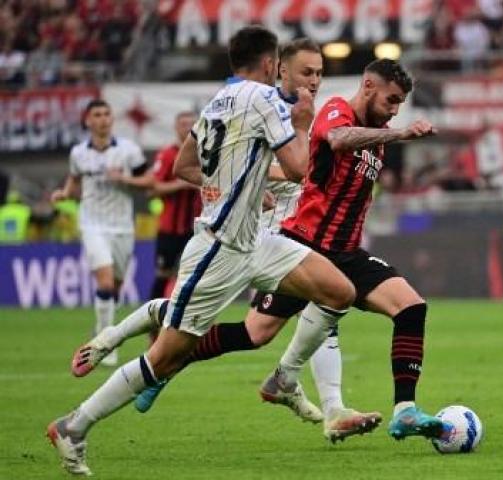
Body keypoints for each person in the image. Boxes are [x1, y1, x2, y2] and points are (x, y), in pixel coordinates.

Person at [47, 26, 357, 476]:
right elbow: (297, 170)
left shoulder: (219, 99)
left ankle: (285, 378)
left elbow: (184, 166)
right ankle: (74, 425)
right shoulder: (267, 99)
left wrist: (244, 189)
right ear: (271, 64)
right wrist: (305, 125)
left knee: (338, 291)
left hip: (256, 240)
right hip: (220, 248)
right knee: (167, 356)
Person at [255, 58, 444, 441]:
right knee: (255, 333)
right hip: (304, 246)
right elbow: (339, 140)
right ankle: (159, 365)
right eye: (391, 100)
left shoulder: (377, 136)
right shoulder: (338, 110)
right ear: (369, 85)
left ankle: (403, 410)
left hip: (346, 253)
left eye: (400, 105)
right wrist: (400, 133)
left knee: (411, 308)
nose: (394, 110)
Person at [51, 99, 149, 367]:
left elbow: (149, 181)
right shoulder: (78, 153)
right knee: (105, 282)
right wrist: (64, 193)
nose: (104, 118)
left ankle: (101, 328)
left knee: (115, 286)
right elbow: (74, 181)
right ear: (87, 120)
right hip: (92, 224)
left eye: (107, 114)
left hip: (122, 226)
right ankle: (107, 345)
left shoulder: (129, 151)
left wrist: (125, 179)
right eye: (98, 114)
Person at [147, 111, 202, 300]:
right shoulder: (167, 154)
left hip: (196, 229)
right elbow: (153, 189)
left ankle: (189, 323)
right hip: (169, 228)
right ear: (176, 128)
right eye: (183, 124)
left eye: (191, 124)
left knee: (195, 278)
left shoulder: (205, 152)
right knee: (163, 276)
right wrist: (182, 183)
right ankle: (153, 327)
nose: (188, 128)